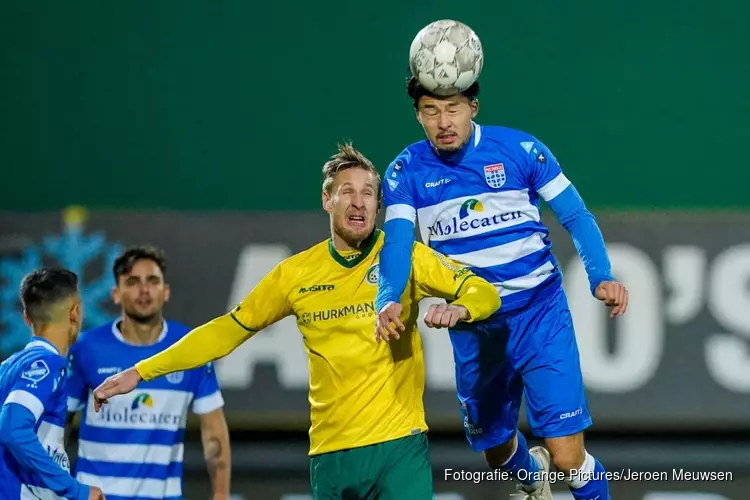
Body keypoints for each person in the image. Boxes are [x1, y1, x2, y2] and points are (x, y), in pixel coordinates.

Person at [90, 143, 502, 500]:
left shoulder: (404, 257)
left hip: (399, 447)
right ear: (327, 199)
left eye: (369, 194)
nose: (358, 202)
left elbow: (484, 291)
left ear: (380, 205)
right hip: (329, 455)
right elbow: (226, 331)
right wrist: (141, 371)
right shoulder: (295, 275)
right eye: (347, 192)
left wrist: (461, 308)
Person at [373, 77, 629, 500]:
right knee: (496, 453)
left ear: (473, 107)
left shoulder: (520, 150)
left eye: (452, 108)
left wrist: (600, 275)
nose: (443, 122)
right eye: (431, 111)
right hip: (474, 327)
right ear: (417, 115)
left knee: (568, 458)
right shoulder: (406, 170)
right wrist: (387, 299)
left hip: (540, 315)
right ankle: (533, 482)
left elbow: (576, 215)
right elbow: (399, 242)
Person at [65, 246, 231, 499]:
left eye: (152, 281)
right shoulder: (86, 348)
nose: (144, 290)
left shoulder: (190, 348)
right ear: (116, 294)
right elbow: (59, 425)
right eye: (132, 282)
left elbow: (214, 433)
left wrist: (221, 494)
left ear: (165, 292)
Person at [0, 268, 105, 500]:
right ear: (75, 313)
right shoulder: (47, 365)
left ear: (27, 318)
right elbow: (13, 428)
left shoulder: (7, 368)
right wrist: (75, 490)